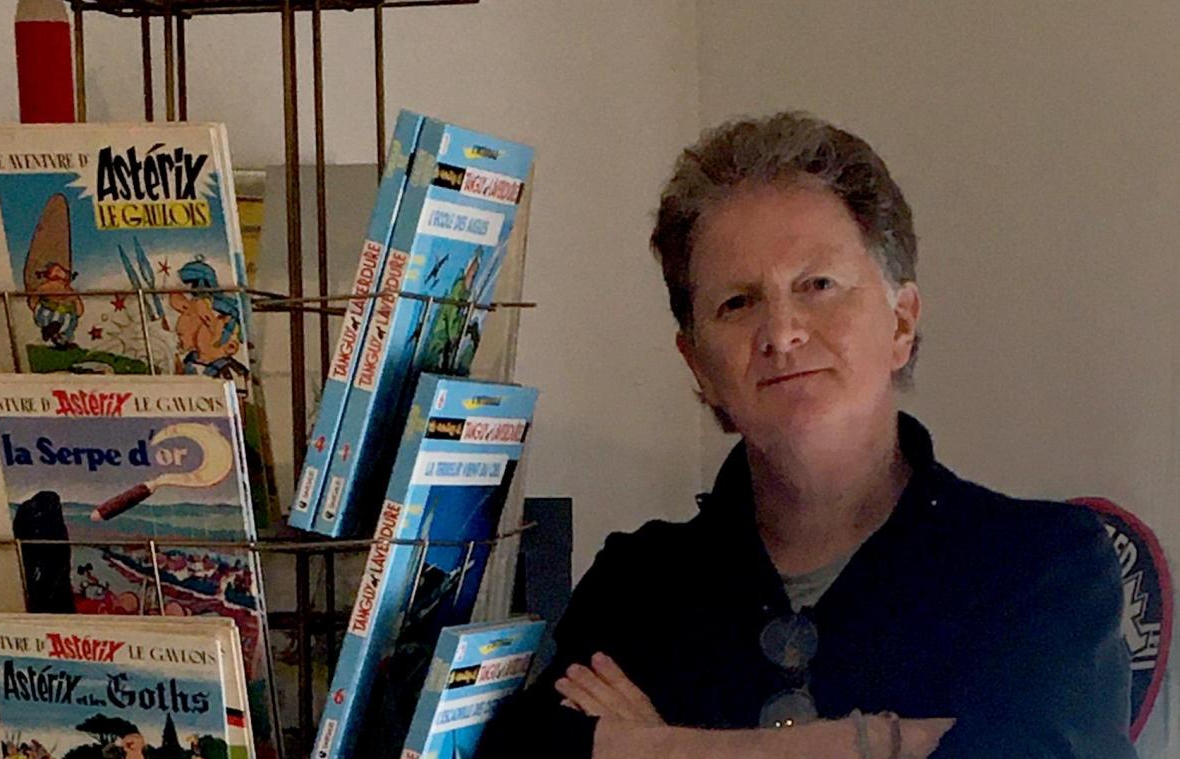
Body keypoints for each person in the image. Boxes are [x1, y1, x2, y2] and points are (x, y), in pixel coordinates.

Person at [476, 113, 1134, 758]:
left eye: (818, 285)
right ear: (698, 364)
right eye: (738, 302)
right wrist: (872, 743)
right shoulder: (638, 586)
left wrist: (649, 747)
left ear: (901, 323)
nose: (782, 332)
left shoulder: (1041, 568)